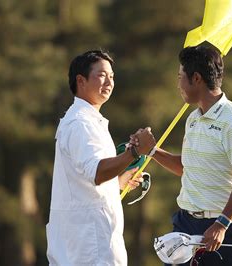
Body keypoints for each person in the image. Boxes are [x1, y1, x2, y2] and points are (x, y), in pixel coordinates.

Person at [133, 45, 232, 265]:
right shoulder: (193, 119)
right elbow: (187, 168)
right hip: (186, 226)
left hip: (226, 228)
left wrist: (222, 223)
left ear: (196, 79)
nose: (178, 85)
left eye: (180, 77)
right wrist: (152, 151)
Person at [46, 50, 156, 266]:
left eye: (112, 76)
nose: (109, 81)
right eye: (102, 75)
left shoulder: (87, 120)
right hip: (88, 249)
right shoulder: (81, 123)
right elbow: (96, 172)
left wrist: (120, 181)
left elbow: (87, 181)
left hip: (88, 244)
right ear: (81, 80)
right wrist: (134, 152)